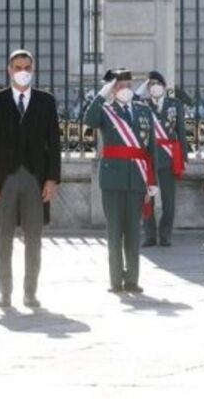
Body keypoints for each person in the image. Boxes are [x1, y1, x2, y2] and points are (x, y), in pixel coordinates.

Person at [0, 50, 62, 309]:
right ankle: (5, 292)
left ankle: (30, 292)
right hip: (4, 180)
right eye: (17, 67)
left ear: (33, 68)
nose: (22, 71)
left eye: (27, 66)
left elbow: (54, 143)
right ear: (9, 69)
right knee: (3, 238)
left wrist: (52, 179)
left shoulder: (46, 101)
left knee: (34, 239)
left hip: (35, 180)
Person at [86, 69, 159, 293]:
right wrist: (102, 94)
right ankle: (116, 280)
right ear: (112, 89)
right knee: (115, 232)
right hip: (113, 179)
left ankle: (133, 279)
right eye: (119, 85)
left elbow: (151, 149)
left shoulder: (143, 110)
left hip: (137, 178)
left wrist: (152, 181)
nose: (124, 89)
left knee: (133, 233)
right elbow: (89, 120)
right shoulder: (106, 111)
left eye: (127, 84)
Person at [138, 70, 188, 248]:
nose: (154, 87)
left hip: (168, 157)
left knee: (169, 200)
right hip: (148, 158)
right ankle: (149, 235)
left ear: (164, 87)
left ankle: (165, 234)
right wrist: (144, 85)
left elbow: (181, 131)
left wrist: (184, 156)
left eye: (157, 84)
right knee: (147, 198)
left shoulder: (175, 104)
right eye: (150, 84)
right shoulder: (142, 105)